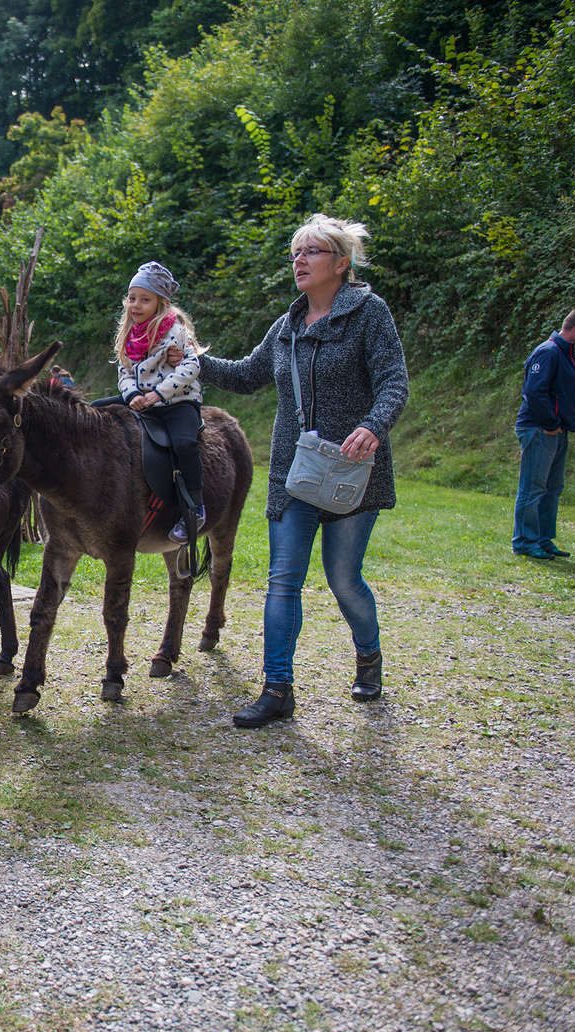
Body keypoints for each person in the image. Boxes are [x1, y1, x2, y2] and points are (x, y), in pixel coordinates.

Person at [198, 214, 409, 729]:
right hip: (295, 474)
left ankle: (369, 657)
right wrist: (194, 356)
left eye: (311, 251)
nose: (300, 260)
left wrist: (373, 426)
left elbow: (394, 381)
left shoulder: (369, 314)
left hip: (353, 471)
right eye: (296, 252)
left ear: (341, 263)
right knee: (282, 581)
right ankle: (276, 689)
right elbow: (247, 376)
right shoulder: (288, 324)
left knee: (343, 578)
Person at [111, 261, 206, 544]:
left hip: (177, 402)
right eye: (132, 298)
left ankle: (195, 508)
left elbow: (191, 366)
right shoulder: (129, 333)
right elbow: (124, 371)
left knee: (184, 444)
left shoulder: (175, 331)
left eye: (144, 299)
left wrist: (159, 394)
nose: (136, 305)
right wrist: (132, 395)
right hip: (141, 401)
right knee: (96, 413)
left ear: (160, 303)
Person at [511, 309, 575, 560]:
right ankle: (525, 541)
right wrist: (550, 423)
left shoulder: (568, 355)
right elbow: (534, 392)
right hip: (539, 429)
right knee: (534, 487)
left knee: (552, 488)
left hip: (558, 431)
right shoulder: (548, 352)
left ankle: (543, 538)